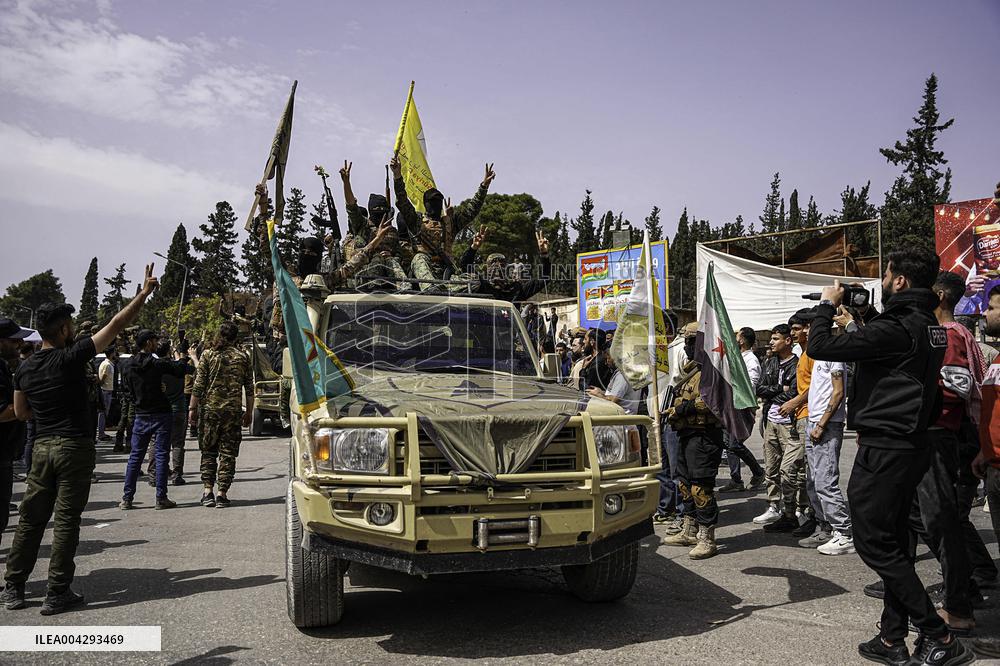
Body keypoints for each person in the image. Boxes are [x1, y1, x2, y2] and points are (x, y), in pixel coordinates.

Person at [809, 248, 969, 665]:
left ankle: (938, 636)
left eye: (886, 275)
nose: (882, 281)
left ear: (899, 281)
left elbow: (822, 345)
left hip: (887, 446)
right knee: (896, 540)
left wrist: (827, 305)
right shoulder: (927, 326)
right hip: (912, 442)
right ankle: (892, 637)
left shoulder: (899, 326)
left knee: (873, 540)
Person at [1, 265, 158, 614]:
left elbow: (21, 411)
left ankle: (13, 587)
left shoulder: (24, 368)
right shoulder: (71, 357)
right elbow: (116, 325)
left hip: (41, 447)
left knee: (31, 518)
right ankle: (57, 591)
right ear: (64, 328)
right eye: (69, 324)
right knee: (67, 520)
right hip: (74, 446)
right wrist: (143, 294)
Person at [661, 323, 723, 559]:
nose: (687, 347)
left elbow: (709, 403)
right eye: (685, 342)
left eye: (691, 342)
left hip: (704, 435)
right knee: (684, 484)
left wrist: (681, 409)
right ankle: (690, 529)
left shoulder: (712, 370)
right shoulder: (691, 369)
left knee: (700, 487)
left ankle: (707, 538)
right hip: (687, 433)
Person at [392, 156, 494, 292]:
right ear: (425, 204)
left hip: (447, 275)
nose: (435, 205)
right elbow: (403, 201)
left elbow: (472, 210)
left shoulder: (450, 223)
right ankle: (430, 289)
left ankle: (442, 290)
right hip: (424, 274)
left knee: (474, 281)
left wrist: (484, 187)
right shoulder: (417, 221)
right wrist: (397, 175)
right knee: (419, 257)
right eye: (432, 202)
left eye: (438, 202)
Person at [119, 330, 192, 510]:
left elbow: (125, 390)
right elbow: (181, 369)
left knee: (135, 457)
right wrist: (183, 354)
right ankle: (161, 498)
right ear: (149, 343)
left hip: (141, 414)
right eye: (154, 340)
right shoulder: (157, 364)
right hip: (160, 413)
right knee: (161, 455)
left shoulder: (127, 365)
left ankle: (127, 498)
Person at [188, 321, 254, 509]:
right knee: (228, 454)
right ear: (235, 337)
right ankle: (222, 494)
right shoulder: (243, 357)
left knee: (208, 451)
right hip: (232, 413)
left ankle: (207, 491)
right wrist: (248, 412)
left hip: (210, 412)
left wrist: (192, 409)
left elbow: (198, 385)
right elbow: (249, 389)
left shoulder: (209, 355)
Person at [800, 327, 851, 554]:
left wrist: (822, 423)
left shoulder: (835, 354)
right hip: (814, 422)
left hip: (827, 425)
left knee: (825, 481)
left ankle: (844, 532)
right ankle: (827, 527)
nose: (810, 331)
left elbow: (838, 392)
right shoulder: (818, 354)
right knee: (813, 481)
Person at [753, 324, 802, 528]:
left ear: (787, 341)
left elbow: (795, 392)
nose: (771, 342)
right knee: (771, 467)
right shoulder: (769, 362)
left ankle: (796, 509)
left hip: (790, 423)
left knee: (790, 469)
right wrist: (780, 389)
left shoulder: (797, 364)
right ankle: (774, 506)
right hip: (770, 421)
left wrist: (779, 394)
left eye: (775, 339)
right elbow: (760, 388)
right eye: (771, 338)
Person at [777, 309, 817, 538]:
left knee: (805, 472)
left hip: (807, 415)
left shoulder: (813, 353)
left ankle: (810, 516)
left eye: (795, 329)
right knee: (793, 470)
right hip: (798, 417)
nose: (792, 333)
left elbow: (817, 387)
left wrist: (794, 401)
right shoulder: (803, 354)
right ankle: (792, 515)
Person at [339, 161, 409, 290]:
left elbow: (399, 252)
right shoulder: (362, 225)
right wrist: (346, 182)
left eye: (383, 212)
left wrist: (391, 256)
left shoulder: (392, 231)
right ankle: (373, 287)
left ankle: (406, 289)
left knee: (389, 261)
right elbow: (351, 207)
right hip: (363, 276)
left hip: (389, 274)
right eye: (376, 212)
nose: (380, 215)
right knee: (376, 258)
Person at [718, 327, 764, 493]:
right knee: (728, 445)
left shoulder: (750, 360)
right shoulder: (737, 358)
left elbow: (750, 384)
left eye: (737, 336)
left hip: (741, 407)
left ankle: (758, 472)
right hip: (730, 407)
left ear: (743, 340)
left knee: (735, 444)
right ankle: (736, 479)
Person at [0, 319, 31, 549]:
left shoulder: (3, 366)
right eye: (14, 340)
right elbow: (3, 412)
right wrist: (28, 405)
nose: (20, 343)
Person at [460, 227, 553, 302]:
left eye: (502, 264)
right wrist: (473, 248)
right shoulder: (482, 286)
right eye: (493, 263)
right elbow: (465, 266)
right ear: (487, 268)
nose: (498, 267)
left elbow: (545, 278)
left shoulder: (516, 290)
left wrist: (544, 254)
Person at [96, 348, 116, 441]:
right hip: (105, 391)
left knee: (104, 413)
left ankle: (102, 432)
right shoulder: (107, 365)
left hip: (107, 390)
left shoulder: (107, 364)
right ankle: (101, 433)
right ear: (111, 354)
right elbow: (103, 379)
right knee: (103, 413)